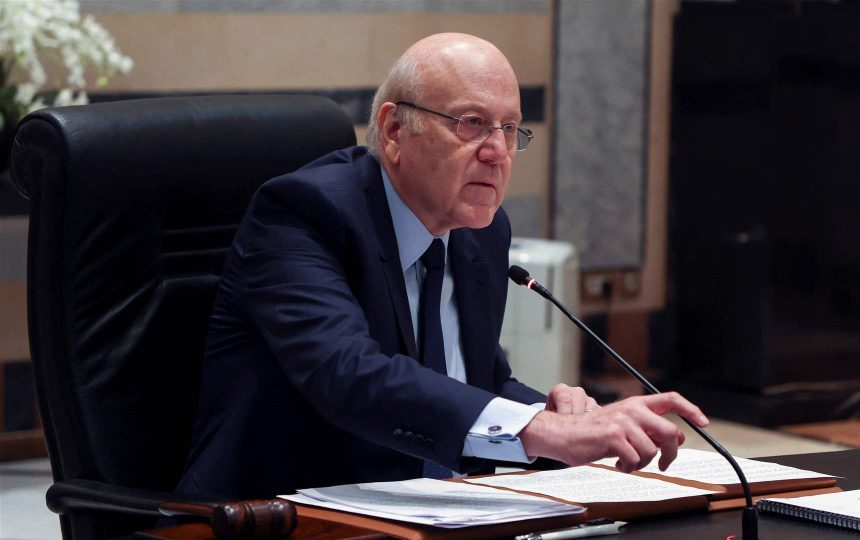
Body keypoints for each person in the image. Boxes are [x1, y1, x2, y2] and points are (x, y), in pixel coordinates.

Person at [177, 33, 708, 499]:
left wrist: (569, 420)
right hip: (275, 516)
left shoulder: (481, 232)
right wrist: (541, 431)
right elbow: (349, 374)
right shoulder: (302, 214)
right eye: (472, 124)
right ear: (394, 130)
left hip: (429, 512)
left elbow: (478, 381)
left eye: (510, 129)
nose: (498, 152)